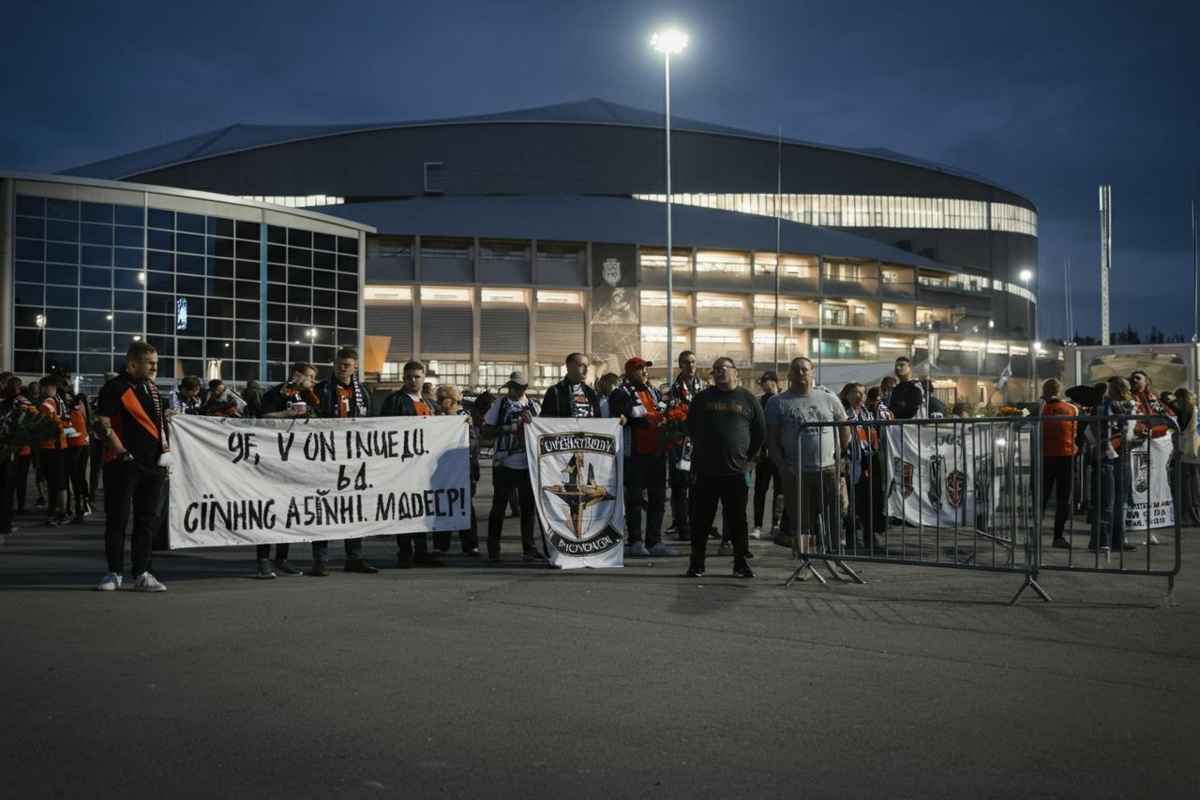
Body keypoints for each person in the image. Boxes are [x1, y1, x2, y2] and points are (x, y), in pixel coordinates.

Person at [95, 341, 169, 592]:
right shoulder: (115, 387)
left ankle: (142, 573)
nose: (154, 367)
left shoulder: (153, 389)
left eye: (156, 363)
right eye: (150, 363)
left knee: (146, 521)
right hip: (123, 464)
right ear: (133, 364)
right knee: (117, 519)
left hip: (152, 465)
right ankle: (114, 572)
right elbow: (102, 422)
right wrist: (121, 451)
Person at [685, 357, 765, 578]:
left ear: (735, 372)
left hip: (736, 472)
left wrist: (748, 459)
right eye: (716, 369)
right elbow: (691, 427)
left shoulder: (748, 398)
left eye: (724, 368)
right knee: (701, 520)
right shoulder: (702, 399)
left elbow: (760, 432)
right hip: (705, 471)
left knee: (738, 521)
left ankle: (740, 563)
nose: (720, 372)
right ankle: (697, 563)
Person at [767, 357, 850, 552]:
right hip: (796, 471)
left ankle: (834, 556)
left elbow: (844, 427)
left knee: (833, 517)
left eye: (804, 369)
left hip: (828, 470)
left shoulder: (829, 398)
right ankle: (805, 559)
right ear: (789, 375)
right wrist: (782, 467)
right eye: (796, 370)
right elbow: (772, 439)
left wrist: (840, 456)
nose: (800, 373)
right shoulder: (777, 402)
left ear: (812, 372)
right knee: (801, 522)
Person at [309, 348, 379, 575]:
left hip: (354, 457)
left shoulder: (363, 391)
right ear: (334, 364)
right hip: (326, 456)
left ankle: (354, 557)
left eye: (347, 365)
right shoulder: (321, 389)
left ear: (355, 367)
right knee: (323, 507)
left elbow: (370, 422)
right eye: (339, 364)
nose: (342, 368)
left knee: (355, 507)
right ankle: (320, 560)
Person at [250, 362, 319, 578]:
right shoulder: (274, 394)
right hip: (272, 457)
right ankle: (263, 559)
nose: (312, 381)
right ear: (297, 375)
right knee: (267, 508)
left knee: (288, 509)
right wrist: (286, 413)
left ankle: (282, 559)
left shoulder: (308, 396)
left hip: (295, 459)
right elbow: (264, 417)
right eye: (309, 377)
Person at [380, 361, 444, 567]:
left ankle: (421, 551)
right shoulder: (394, 401)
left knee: (422, 508)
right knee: (405, 508)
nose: (413, 380)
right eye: (409, 377)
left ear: (424, 377)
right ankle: (405, 552)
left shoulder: (429, 403)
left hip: (425, 466)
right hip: (404, 466)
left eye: (417, 376)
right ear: (403, 378)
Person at [608, 357, 671, 557]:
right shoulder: (620, 392)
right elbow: (626, 414)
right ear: (628, 372)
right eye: (639, 369)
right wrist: (644, 415)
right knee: (634, 500)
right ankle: (635, 541)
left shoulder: (653, 391)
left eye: (645, 368)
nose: (644, 372)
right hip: (634, 455)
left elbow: (661, 412)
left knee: (658, 498)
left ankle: (654, 541)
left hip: (657, 453)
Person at [483, 370, 542, 562]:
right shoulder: (500, 404)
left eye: (517, 388)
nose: (513, 391)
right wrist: (509, 428)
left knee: (528, 508)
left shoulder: (534, 406)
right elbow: (487, 429)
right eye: (512, 387)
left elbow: (543, 432)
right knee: (498, 508)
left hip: (527, 464)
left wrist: (531, 424)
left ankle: (529, 548)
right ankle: (493, 549)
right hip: (504, 463)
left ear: (524, 388)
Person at [1086, 376, 1137, 553]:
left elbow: (1130, 433)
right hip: (1106, 458)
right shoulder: (1102, 407)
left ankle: (1116, 540)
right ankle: (1101, 541)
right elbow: (1091, 432)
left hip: (1122, 457)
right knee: (1106, 502)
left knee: (1118, 503)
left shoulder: (1130, 407)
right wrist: (1105, 447)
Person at [436, 383, 481, 556]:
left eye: (442, 399)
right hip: (443, 469)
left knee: (465, 505)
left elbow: (473, 444)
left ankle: (470, 544)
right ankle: (441, 544)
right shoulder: (437, 417)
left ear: (452, 399)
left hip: (463, 469)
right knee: (443, 504)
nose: (439, 402)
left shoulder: (464, 418)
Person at [665, 351, 704, 544]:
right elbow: (668, 413)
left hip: (700, 443)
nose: (691, 366)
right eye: (687, 362)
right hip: (679, 444)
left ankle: (698, 524)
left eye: (693, 362)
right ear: (680, 365)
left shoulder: (703, 387)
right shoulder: (672, 389)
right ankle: (682, 526)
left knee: (699, 486)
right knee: (680, 486)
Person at [1039, 379, 1077, 549]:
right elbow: (1077, 432)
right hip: (1066, 456)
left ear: (1044, 390)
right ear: (1059, 391)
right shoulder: (1071, 408)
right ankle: (1058, 537)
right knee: (1063, 498)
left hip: (1045, 456)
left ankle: (1035, 534)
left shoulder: (1040, 408)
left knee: (1042, 497)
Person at [37, 375, 72, 527]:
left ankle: (57, 513)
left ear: (48, 387)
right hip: (61, 445)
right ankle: (60, 512)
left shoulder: (48, 402)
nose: (41, 390)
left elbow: (44, 423)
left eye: (42, 387)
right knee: (60, 481)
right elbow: (67, 423)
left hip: (51, 446)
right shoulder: (61, 400)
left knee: (54, 482)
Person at [751, 370, 783, 540]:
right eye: (763, 382)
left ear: (775, 382)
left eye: (767, 382)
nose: (764, 385)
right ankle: (757, 525)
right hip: (763, 454)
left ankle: (776, 524)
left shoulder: (783, 400)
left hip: (780, 454)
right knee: (760, 490)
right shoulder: (759, 401)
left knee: (780, 491)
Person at [540, 352, 601, 418]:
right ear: (569, 367)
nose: (586, 370)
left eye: (587, 366)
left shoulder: (590, 392)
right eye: (581, 365)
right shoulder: (555, 391)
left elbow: (597, 418)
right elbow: (545, 418)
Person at [1171, 388, 1200, 525]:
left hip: (1187, 453)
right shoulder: (1195, 410)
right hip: (1195, 451)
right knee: (1194, 485)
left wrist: (1170, 402)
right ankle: (1195, 515)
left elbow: (1181, 428)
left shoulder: (1185, 411)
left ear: (1182, 398)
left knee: (1187, 487)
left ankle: (1189, 517)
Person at [66, 391, 93, 522]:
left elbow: (72, 432)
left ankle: (79, 508)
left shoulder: (74, 413)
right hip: (84, 446)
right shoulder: (86, 413)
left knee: (76, 478)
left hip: (76, 447)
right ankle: (84, 504)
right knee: (81, 477)